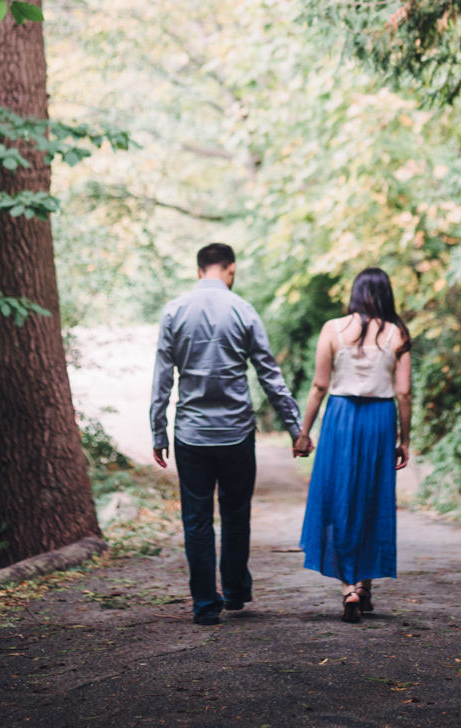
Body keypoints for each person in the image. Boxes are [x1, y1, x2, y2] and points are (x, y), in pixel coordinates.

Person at [150, 242, 311, 626]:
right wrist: (295, 428)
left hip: (191, 435)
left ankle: (206, 605)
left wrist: (158, 433)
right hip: (237, 433)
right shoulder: (243, 310)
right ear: (231, 269)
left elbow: (161, 380)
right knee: (236, 515)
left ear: (199, 270)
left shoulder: (174, 311)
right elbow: (270, 375)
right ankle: (236, 591)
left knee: (197, 520)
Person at [294, 266, 412, 623]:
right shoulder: (398, 333)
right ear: (387, 294)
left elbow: (318, 386)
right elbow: (404, 392)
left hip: (340, 419)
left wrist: (304, 432)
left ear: (355, 293)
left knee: (340, 496)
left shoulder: (333, 329)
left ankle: (348, 588)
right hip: (379, 421)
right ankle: (365, 586)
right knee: (373, 497)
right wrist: (404, 439)